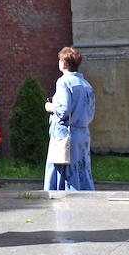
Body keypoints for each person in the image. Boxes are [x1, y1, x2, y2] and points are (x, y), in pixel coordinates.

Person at [45, 45, 96, 191]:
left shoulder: (63, 82)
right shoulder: (86, 84)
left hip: (65, 134)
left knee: (62, 169)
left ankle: (62, 196)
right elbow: (90, 111)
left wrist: (51, 107)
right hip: (83, 133)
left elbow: (63, 110)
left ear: (63, 63)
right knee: (82, 169)